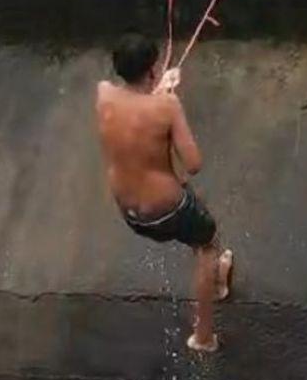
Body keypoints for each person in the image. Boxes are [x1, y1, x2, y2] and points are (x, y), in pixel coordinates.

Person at [95, 34, 233, 352]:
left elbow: (133, 113)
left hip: (129, 212)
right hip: (165, 209)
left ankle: (216, 279)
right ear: (154, 70)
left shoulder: (102, 95)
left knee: (199, 216)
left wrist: (157, 94)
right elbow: (194, 163)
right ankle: (204, 336)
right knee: (207, 245)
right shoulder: (167, 106)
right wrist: (165, 102)